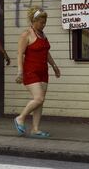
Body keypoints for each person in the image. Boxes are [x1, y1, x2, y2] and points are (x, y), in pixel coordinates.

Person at [14, 7, 61, 138]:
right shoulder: (26, 34)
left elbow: (46, 52)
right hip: (30, 72)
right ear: (33, 21)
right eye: (41, 22)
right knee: (38, 98)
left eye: (45, 22)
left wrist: (54, 66)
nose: (43, 24)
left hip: (43, 72)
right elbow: (19, 54)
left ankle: (35, 129)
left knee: (40, 101)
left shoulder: (43, 35)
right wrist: (20, 72)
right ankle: (21, 118)